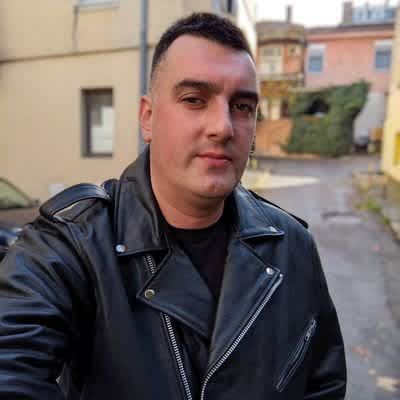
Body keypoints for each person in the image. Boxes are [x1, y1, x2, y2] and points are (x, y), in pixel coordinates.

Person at [0, 12, 346, 400]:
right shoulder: (72, 246)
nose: (223, 127)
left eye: (242, 106)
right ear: (148, 118)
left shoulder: (292, 246)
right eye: (194, 100)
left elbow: (323, 383)